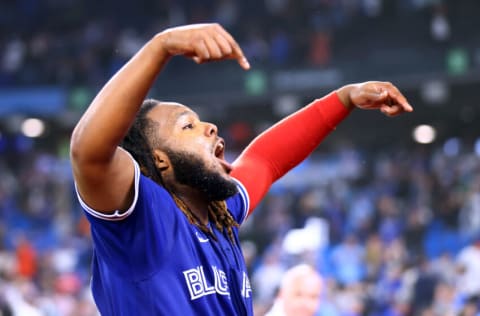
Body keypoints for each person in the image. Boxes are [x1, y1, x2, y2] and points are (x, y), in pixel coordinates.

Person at [69, 23, 413, 316]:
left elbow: (265, 159)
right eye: (187, 126)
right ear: (160, 161)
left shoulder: (221, 214)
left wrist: (345, 98)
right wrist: (161, 47)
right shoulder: (141, 220)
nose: (211, 128)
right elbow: (88, 153)